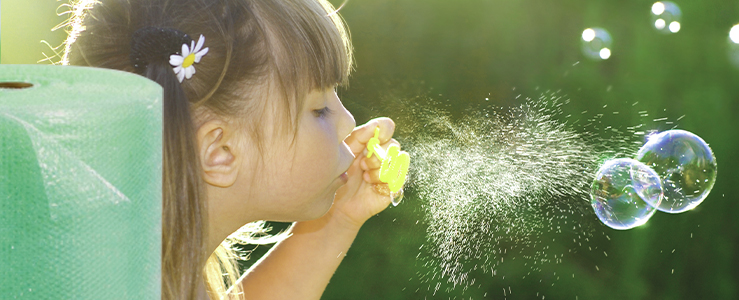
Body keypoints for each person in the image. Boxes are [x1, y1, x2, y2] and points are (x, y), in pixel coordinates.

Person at [62, 0, 402, 299]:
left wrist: (338, 219)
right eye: (319, 110)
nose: (348, 121)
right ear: (219, 152)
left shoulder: (129, 268)